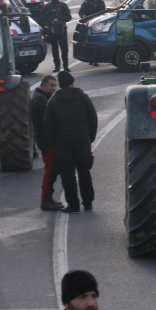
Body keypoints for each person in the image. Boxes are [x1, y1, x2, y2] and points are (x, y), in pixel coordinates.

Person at [44, 71, 96, 213]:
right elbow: (93, 119)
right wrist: (89, 138)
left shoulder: (53, 101)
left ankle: (73, 204)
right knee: (84, 173)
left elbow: (48, 125)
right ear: (72, 83)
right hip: (82, 143)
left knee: (68, 176)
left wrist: (54, 142)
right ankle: (88, 202)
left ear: (60, 85)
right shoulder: (83, 98)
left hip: (62, 145)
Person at [32, 75, 63, 211]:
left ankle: (49, 198)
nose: (53, 89)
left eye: (55, 86)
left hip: (46, 139)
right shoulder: (39, 100)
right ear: (43, 85)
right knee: (50, 169)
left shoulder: (42, 97)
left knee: (53, 169)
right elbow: (52, 111)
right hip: (46, 141)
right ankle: (45, 199)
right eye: (51, 85)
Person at [41, 0, 72, 72]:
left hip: (62, 30)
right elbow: (41, 18)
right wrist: (48, 16)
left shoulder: (63, 6)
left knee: (64, 49)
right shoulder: (47, 6)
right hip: (51, 30)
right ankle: (57, 66)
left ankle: (65, 66)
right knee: (54, 49)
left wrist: (61, 18)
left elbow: (69, 17)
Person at [79, 0, 107, 66]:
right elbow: (81, 11)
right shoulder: (86, 2)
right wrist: (83, 17)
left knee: (95, 42)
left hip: (96, 25)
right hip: (87, 24)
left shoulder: (100, 2)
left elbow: (103, 13)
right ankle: (89, 58)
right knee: (87, 42)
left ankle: (95, 59)